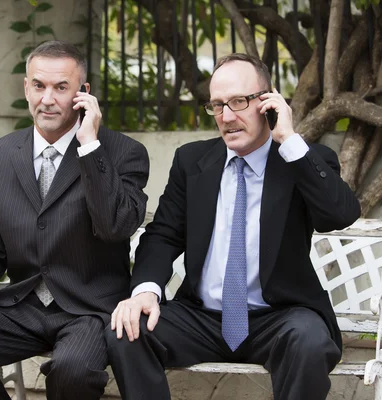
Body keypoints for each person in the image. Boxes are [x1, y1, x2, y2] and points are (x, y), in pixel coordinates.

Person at [106, 53, 361, 400]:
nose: (226, 117)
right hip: (200, 318)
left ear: (268, 102)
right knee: (127, 330)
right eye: (217, 106)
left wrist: (289, 139)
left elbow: (340, 214)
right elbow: (163, 234)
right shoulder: (192, 161)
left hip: (279, 318)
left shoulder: (298, 160)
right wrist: (146, 292)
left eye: (239, 102)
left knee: (310, 341)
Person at [0, 40, 149, 400]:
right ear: (26, 87)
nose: (48, 99)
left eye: (62, 88)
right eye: (39, 86)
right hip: (23, 306)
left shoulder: (123, 152)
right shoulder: (0, 154)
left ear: (83, 93)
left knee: (73, 371)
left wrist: (90, 147)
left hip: (89, 311)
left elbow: (115, 226)